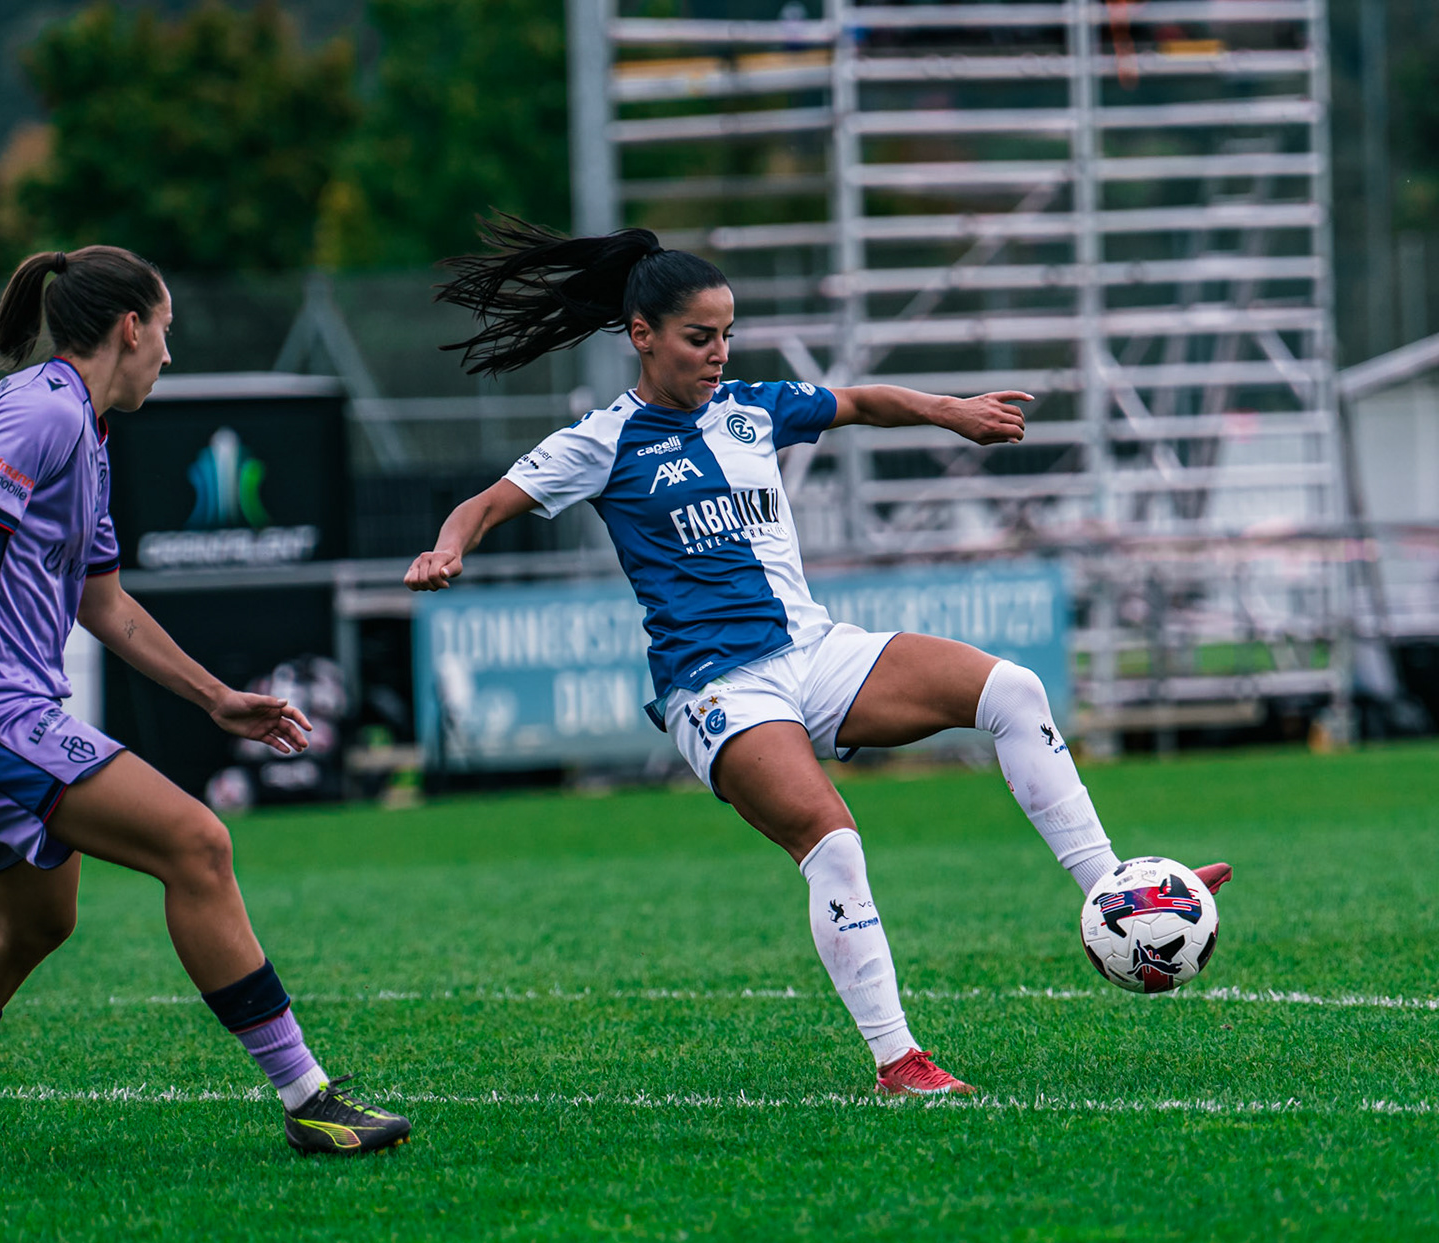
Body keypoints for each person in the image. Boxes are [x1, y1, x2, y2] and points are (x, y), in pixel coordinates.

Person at [409, 217, 1233, 1097]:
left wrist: (947, 412)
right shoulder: (603, 441)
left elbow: (860, 400)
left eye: (727, 334)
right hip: (719, 686)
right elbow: (488, 502)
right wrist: (448, 548)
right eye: (699, 338)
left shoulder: (751, 410)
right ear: (641, 337)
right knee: (834, 842)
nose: (718, 352)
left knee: (1011, 688)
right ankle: (899, 1062)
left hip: (816, 650)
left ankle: (1115, 889)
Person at [0, 245, 410, 1156]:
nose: (167, 354)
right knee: (198, 844)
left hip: (0, 705)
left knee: (36, 920)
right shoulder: (42, 411)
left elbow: (102, 602)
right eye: (166, 333)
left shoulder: (82, 428)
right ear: (129, 327)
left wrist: (216, 698)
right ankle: (308, 1096)